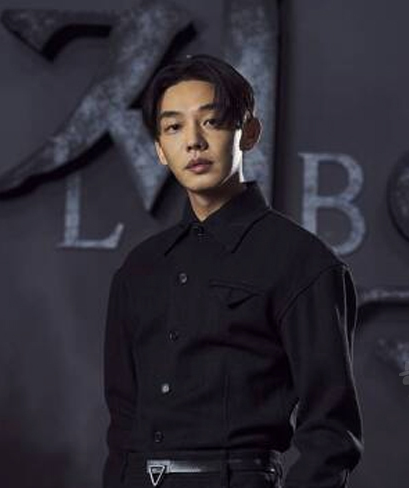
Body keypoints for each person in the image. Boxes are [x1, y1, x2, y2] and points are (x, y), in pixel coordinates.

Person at [102, 54, 363, 488]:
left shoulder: (302, 261)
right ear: (160, 150)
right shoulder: (139, 269)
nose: (194, 142)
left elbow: (331, 433)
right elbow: (123, 422)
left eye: (212, 121)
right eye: (173, 127)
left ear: (249, 132)